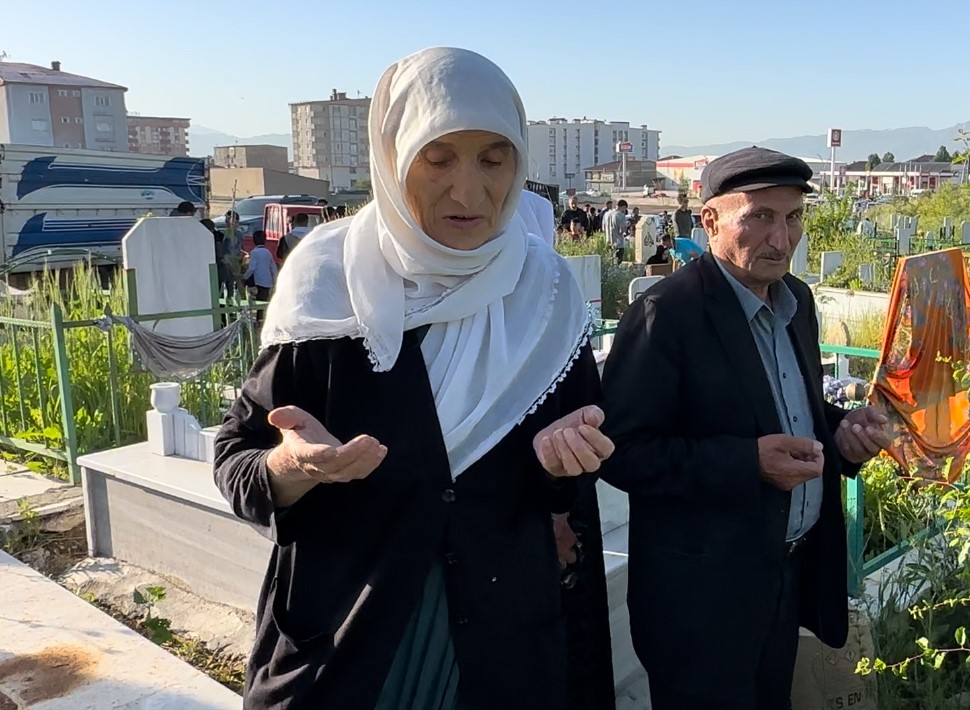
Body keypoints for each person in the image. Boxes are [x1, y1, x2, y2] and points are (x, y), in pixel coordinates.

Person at [213, 47, 617, 710]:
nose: (468, 191)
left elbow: (567, 479)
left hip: (500, 649)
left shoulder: (545, 295)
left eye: (493, 158)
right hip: (349, 647)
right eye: (438, 159)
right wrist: (292, 469)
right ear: (393, 154)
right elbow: (238, 458)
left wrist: (562, 465)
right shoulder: (327, 280)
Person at [598, 146, 894, 710]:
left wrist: (841, 435)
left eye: (792, 218)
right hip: (702, 598)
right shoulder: (667, 315)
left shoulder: (797, 302)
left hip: (783, 575)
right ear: (709, 221)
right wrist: (747, 462)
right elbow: (623, 452)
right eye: (759, 217)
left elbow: (791, 410)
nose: (781, 240)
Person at [243, 230, 277, 302]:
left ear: (254, 240)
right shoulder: (268, 253)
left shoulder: (254, 252)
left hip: (258, 282)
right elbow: (273, 268)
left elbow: (252, 268)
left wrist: (244, 277)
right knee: (264, 302)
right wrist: (275, 281)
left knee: (258, 302)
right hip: (268, 282)